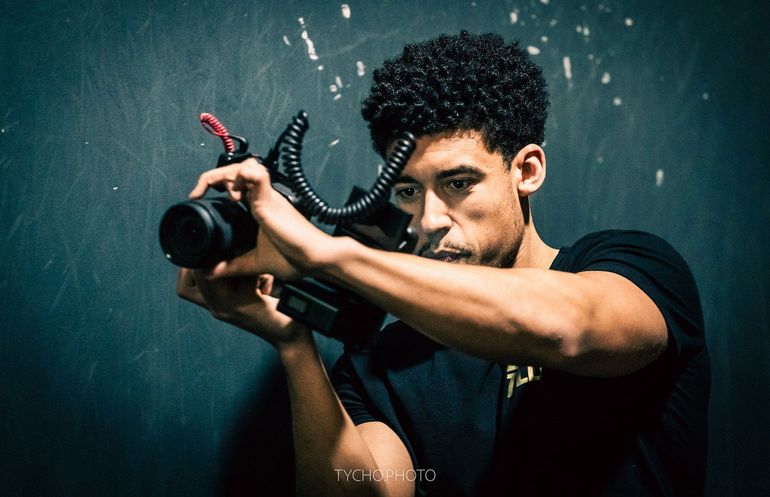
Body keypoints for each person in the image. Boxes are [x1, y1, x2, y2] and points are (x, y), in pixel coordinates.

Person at [176, 31, 709, 497]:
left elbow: (568, 330)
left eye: (458, 183)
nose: (429, 219)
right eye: (408, 191)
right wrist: (294, 344)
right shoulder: (382, 363)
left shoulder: (633, 267)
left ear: (526, 170)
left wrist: (325, 253)